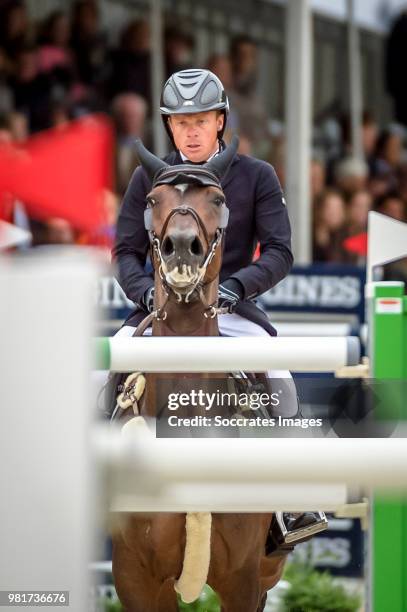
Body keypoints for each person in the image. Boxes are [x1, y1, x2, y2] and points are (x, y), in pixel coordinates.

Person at [112, 68, 328, 549]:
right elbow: (125, 252)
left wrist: (234, 287)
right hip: (160, 313)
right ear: (169, 126)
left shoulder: (256, 175)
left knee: (280, 380)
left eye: (201, 119)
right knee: (98, 373)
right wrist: (146, 293)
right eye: (181, 121)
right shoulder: (148, 177)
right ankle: (88, 486)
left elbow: (279, 251)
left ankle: (295, 500)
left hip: (230, 312)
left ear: (220, 121)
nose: (190, 130)